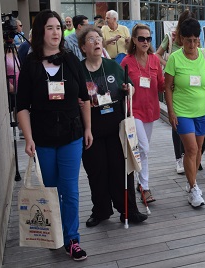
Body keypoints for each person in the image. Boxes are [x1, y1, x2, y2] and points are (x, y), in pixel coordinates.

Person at [16, 9, 93, 261]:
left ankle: (72, 239)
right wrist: (28, 138)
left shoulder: (70, 60)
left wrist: (88, 128)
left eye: (58, 28)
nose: (56, 32)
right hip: (43, 139)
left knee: (69, 189)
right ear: (41, 32)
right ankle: (55, 233)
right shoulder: (30, 65)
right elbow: (22, 107)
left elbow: (83, 98)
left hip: (72, 135)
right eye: (50, 28)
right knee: (50, 190)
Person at [77, 25, 148, 227]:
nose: (97, 42)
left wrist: (129, 89)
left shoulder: (112, 66)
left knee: (122, 169)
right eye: (91, 40)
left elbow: (130, 87)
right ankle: (101, 210)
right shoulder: (79, 70)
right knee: (97, 171)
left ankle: (129, 211)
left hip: (117, 128)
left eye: (98, 38)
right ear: (83, 47)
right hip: (92, 131)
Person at [164, 18, 205, 207]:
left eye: (195, 40)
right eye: (188, 40)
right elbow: (168, 87)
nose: (192, 44)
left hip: (202, 111)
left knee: (198, 152)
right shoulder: (175, 58)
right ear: (181, 39)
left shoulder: (204, 55)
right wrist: (171, 111)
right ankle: (194, 188)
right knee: (191, 150)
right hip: (182, 111)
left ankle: (191, 181)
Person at [121, 24, 164, 204]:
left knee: (143, 151)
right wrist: (124, 89)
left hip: (151, 110)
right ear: (134, 40)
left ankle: (141, 184)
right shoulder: (127, 62)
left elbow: (162, 85)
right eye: (141, 38)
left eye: (148, 39)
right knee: (144, 149)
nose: (145, 42)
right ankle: (144, 186)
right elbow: (119, 86)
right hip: (134, 111)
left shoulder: (155, 60)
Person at [156, 10, 196, 174]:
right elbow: (156, 55)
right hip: (174, 85)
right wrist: (168, 64)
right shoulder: (171, 37)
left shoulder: (195, 38)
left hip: (190, 87)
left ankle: (190, 156)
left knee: (192, 121)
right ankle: (179, 158)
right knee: (176, 122)